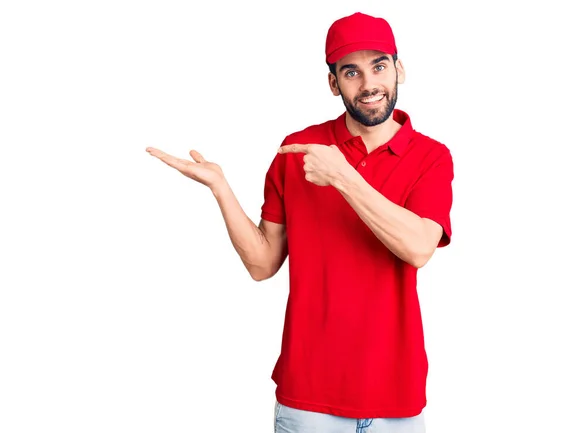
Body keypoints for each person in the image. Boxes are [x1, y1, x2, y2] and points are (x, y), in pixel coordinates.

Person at [146, 11, 453, 433]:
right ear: (333, 84)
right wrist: (220, 187)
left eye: (379, 66)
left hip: (395, 400)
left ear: (399, 69)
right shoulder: (298, 150)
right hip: (308, 397)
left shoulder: (431, 157)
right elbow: (261, 264)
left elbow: (419, 247)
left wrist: (343, 176)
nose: (368, 85)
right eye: (351, 72)